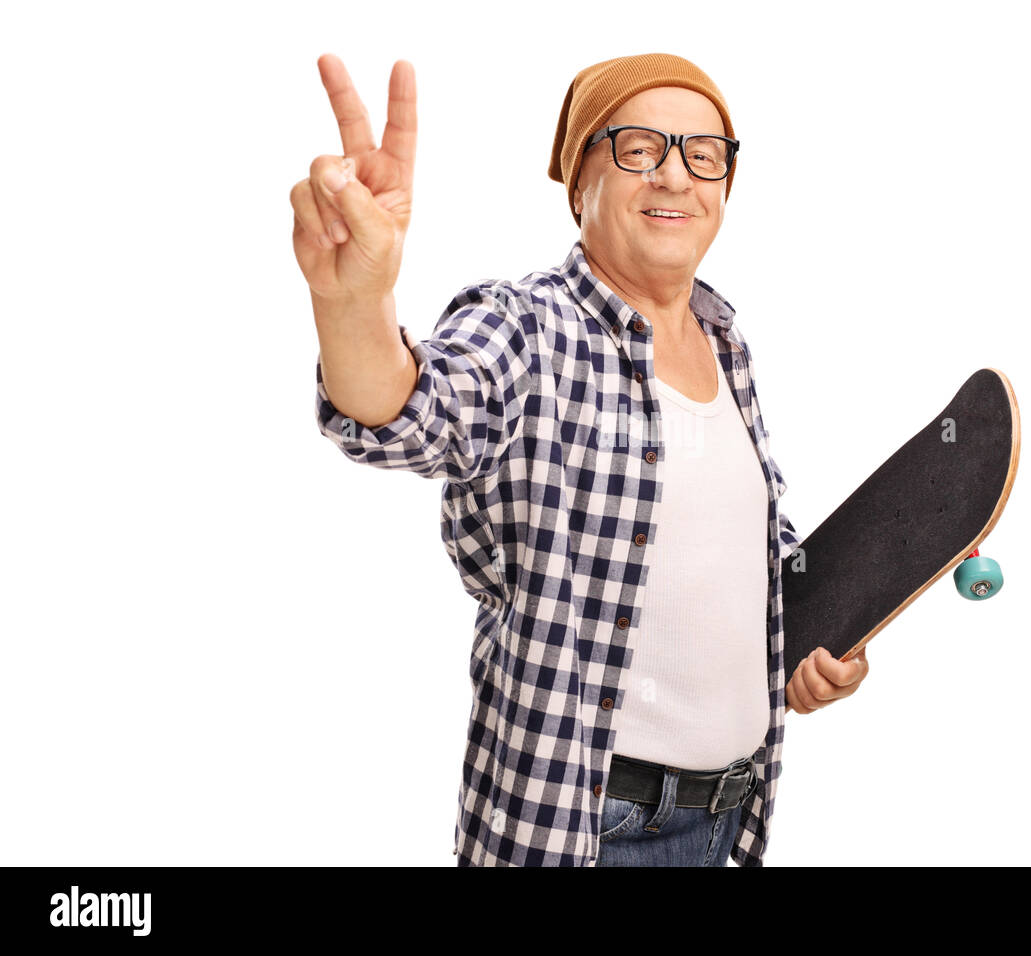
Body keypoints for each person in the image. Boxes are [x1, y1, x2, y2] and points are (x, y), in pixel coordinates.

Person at [290, 51, 870, 867]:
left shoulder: (728, 346)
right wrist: (353, 301)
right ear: (579, 183)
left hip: (730, 822)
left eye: (705, 155)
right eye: (639, 146)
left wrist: (813, 647)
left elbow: (742, 563)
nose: (676, 176)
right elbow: (410, 410)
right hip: (584, 830)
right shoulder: (527, 326)